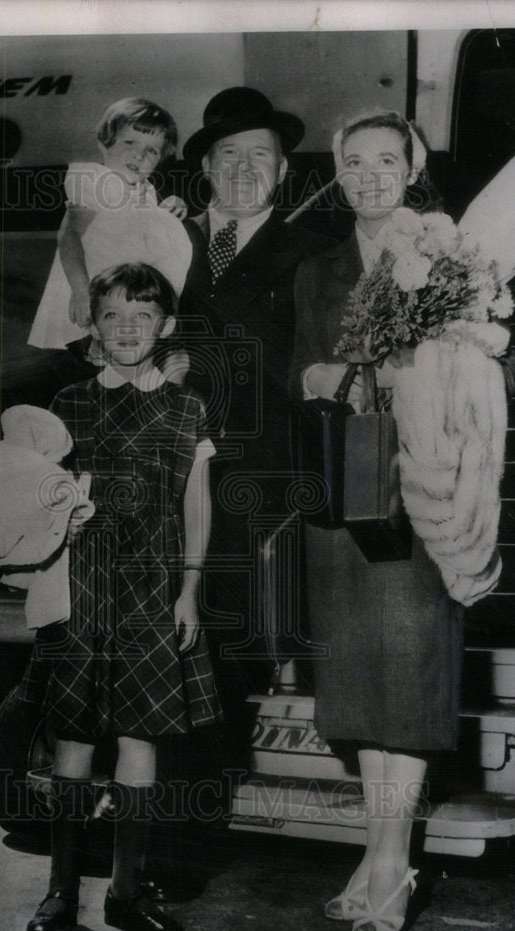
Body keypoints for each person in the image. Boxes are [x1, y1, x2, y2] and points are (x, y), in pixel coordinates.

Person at [290, 109, 483, 931]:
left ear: (412, 168)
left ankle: (391, 859)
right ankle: (375, 855)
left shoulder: (449, 256)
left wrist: (406, 369)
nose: (370, 175)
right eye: (354, 161)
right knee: (362, 691)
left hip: (423, 492)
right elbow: (299, 367)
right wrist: (324, 372)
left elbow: (483, 359)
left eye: (386, 161)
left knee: (405, 687)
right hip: (346, 493)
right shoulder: (316, 267)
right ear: (337, 171)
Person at [19, 262, 221, 931]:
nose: (127, 327)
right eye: (112, 315)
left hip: (154, 591)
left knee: (141, 740)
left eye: (142, 316)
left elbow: (197, 503)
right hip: (82, 590)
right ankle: (59, 896)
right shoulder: (69, 404)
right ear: (93, 328)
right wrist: (59, 522)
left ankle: (125, 895)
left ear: (163, 326)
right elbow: (45, 496)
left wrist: (189, 589)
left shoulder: (187, 408)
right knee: (74, 739)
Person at [177, 87, 335, 722]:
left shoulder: (315, 252)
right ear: (207, 169)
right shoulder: (161, 243)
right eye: (229, 154)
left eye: (261, 155)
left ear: (285, 170)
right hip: (171, 469)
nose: (244, 169)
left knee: (243, 634)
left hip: (269, 474)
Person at [27, 98, 191, 353]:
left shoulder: (146, 191)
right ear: (105, 144)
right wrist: (82, 291)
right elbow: (69, 235)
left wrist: (170, 206)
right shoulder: (95, 179)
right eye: (129, 142)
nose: (139, 154)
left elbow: (140, 232)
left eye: (152, 151)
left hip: (121, 306)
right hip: (88, 302)